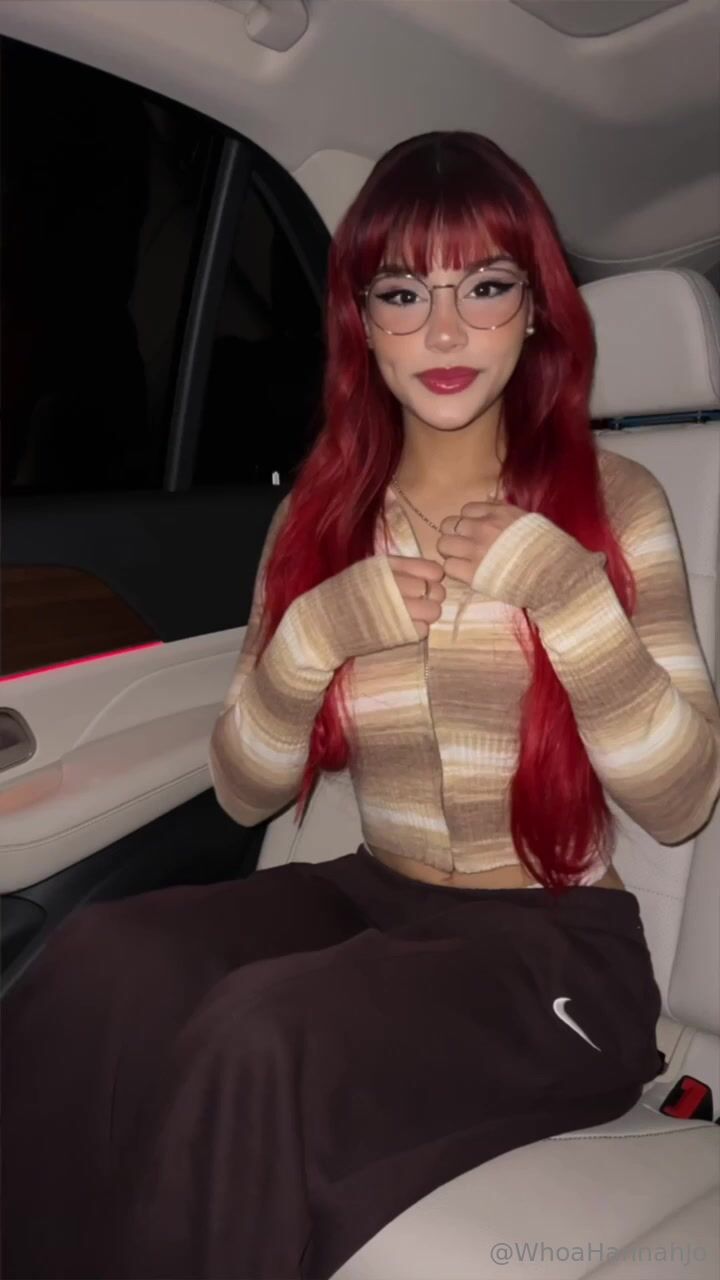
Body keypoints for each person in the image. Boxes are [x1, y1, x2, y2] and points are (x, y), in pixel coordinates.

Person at [3, 132, 719, 1280]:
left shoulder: (615, 501)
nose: (444, 331)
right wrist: (312, 640)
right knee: (100, 960)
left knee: (259, 1037)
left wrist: (566, 594)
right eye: (403, 293)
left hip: (554, 947)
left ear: (535, 309)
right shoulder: (320, 516)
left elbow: (681, 800)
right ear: (363, 322)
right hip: (372, 892)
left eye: (485, 286)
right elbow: (244, 788)